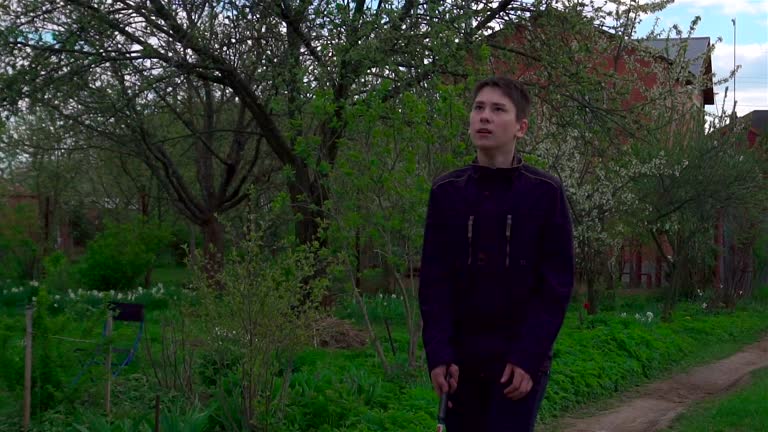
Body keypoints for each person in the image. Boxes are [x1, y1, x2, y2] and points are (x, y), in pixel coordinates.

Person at [418, 77, 575, 432]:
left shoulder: (544, 193)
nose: (484, 117)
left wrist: (528, 358)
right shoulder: (447, 192)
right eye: (478, 108)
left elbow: (556, 286)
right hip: (460, 364)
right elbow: (434, 283)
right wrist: (439, 355)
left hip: (516, 365)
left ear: (521, 127)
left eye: (497, 109)